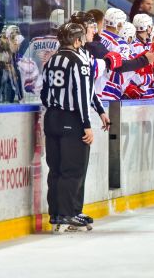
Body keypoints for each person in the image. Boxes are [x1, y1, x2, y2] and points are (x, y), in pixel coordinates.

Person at [41, 22, 110, 233]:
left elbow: (44, 93)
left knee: (56, 169)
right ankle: (68, 213)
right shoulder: (79, 61)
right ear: (77, 40)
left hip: (51, 118)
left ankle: (58, 213)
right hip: (72, 119)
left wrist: (99, 110)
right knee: (73, 169)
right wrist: (86, 124)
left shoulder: (51, 60)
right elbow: (82, 95)